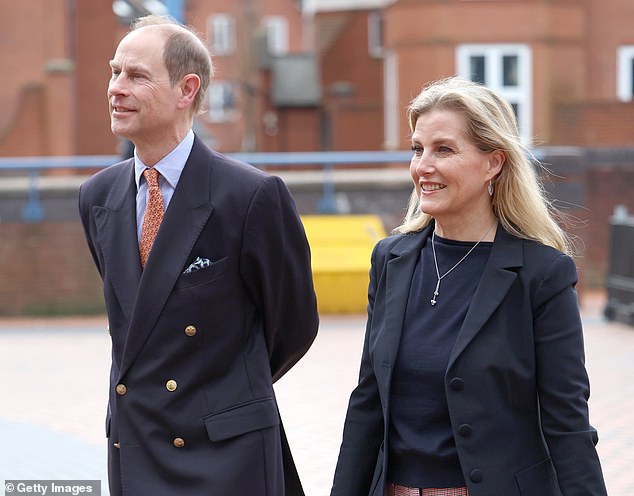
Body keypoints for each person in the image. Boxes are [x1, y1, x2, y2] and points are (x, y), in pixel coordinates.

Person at [330, 77, 607, 496]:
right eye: (417, 149)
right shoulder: (391, 259)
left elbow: (566, 422)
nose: (423, 165)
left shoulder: (542, 274)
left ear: (493, 163)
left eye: (444, 149)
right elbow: (368, 403)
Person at [78, 15, 318, 496]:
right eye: (114, 71)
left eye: (136, 76)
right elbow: (137, 322)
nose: (116, 88)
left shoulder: (251, 197)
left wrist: (218, 393)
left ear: (187, 89)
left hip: (226, 455)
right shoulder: (97, 197)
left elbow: (293, 326)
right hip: (137, 443)